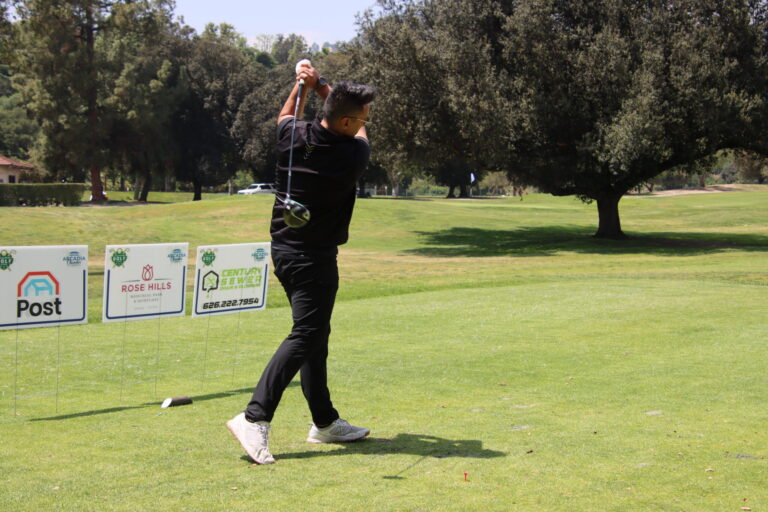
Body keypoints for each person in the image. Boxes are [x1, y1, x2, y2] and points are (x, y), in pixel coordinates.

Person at [227, 62, 376, 464]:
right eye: (363, 118)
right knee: (307, 332)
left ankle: (324, 421)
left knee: (315, 334)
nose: (365, 124)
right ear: (346, 122)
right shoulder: (352, 154)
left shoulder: (293, 137)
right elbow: (360, 134)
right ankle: (254, 417)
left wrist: (303, 86)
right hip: (315, 259)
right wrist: (322, 84)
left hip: (284, 251)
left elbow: (285, 114)